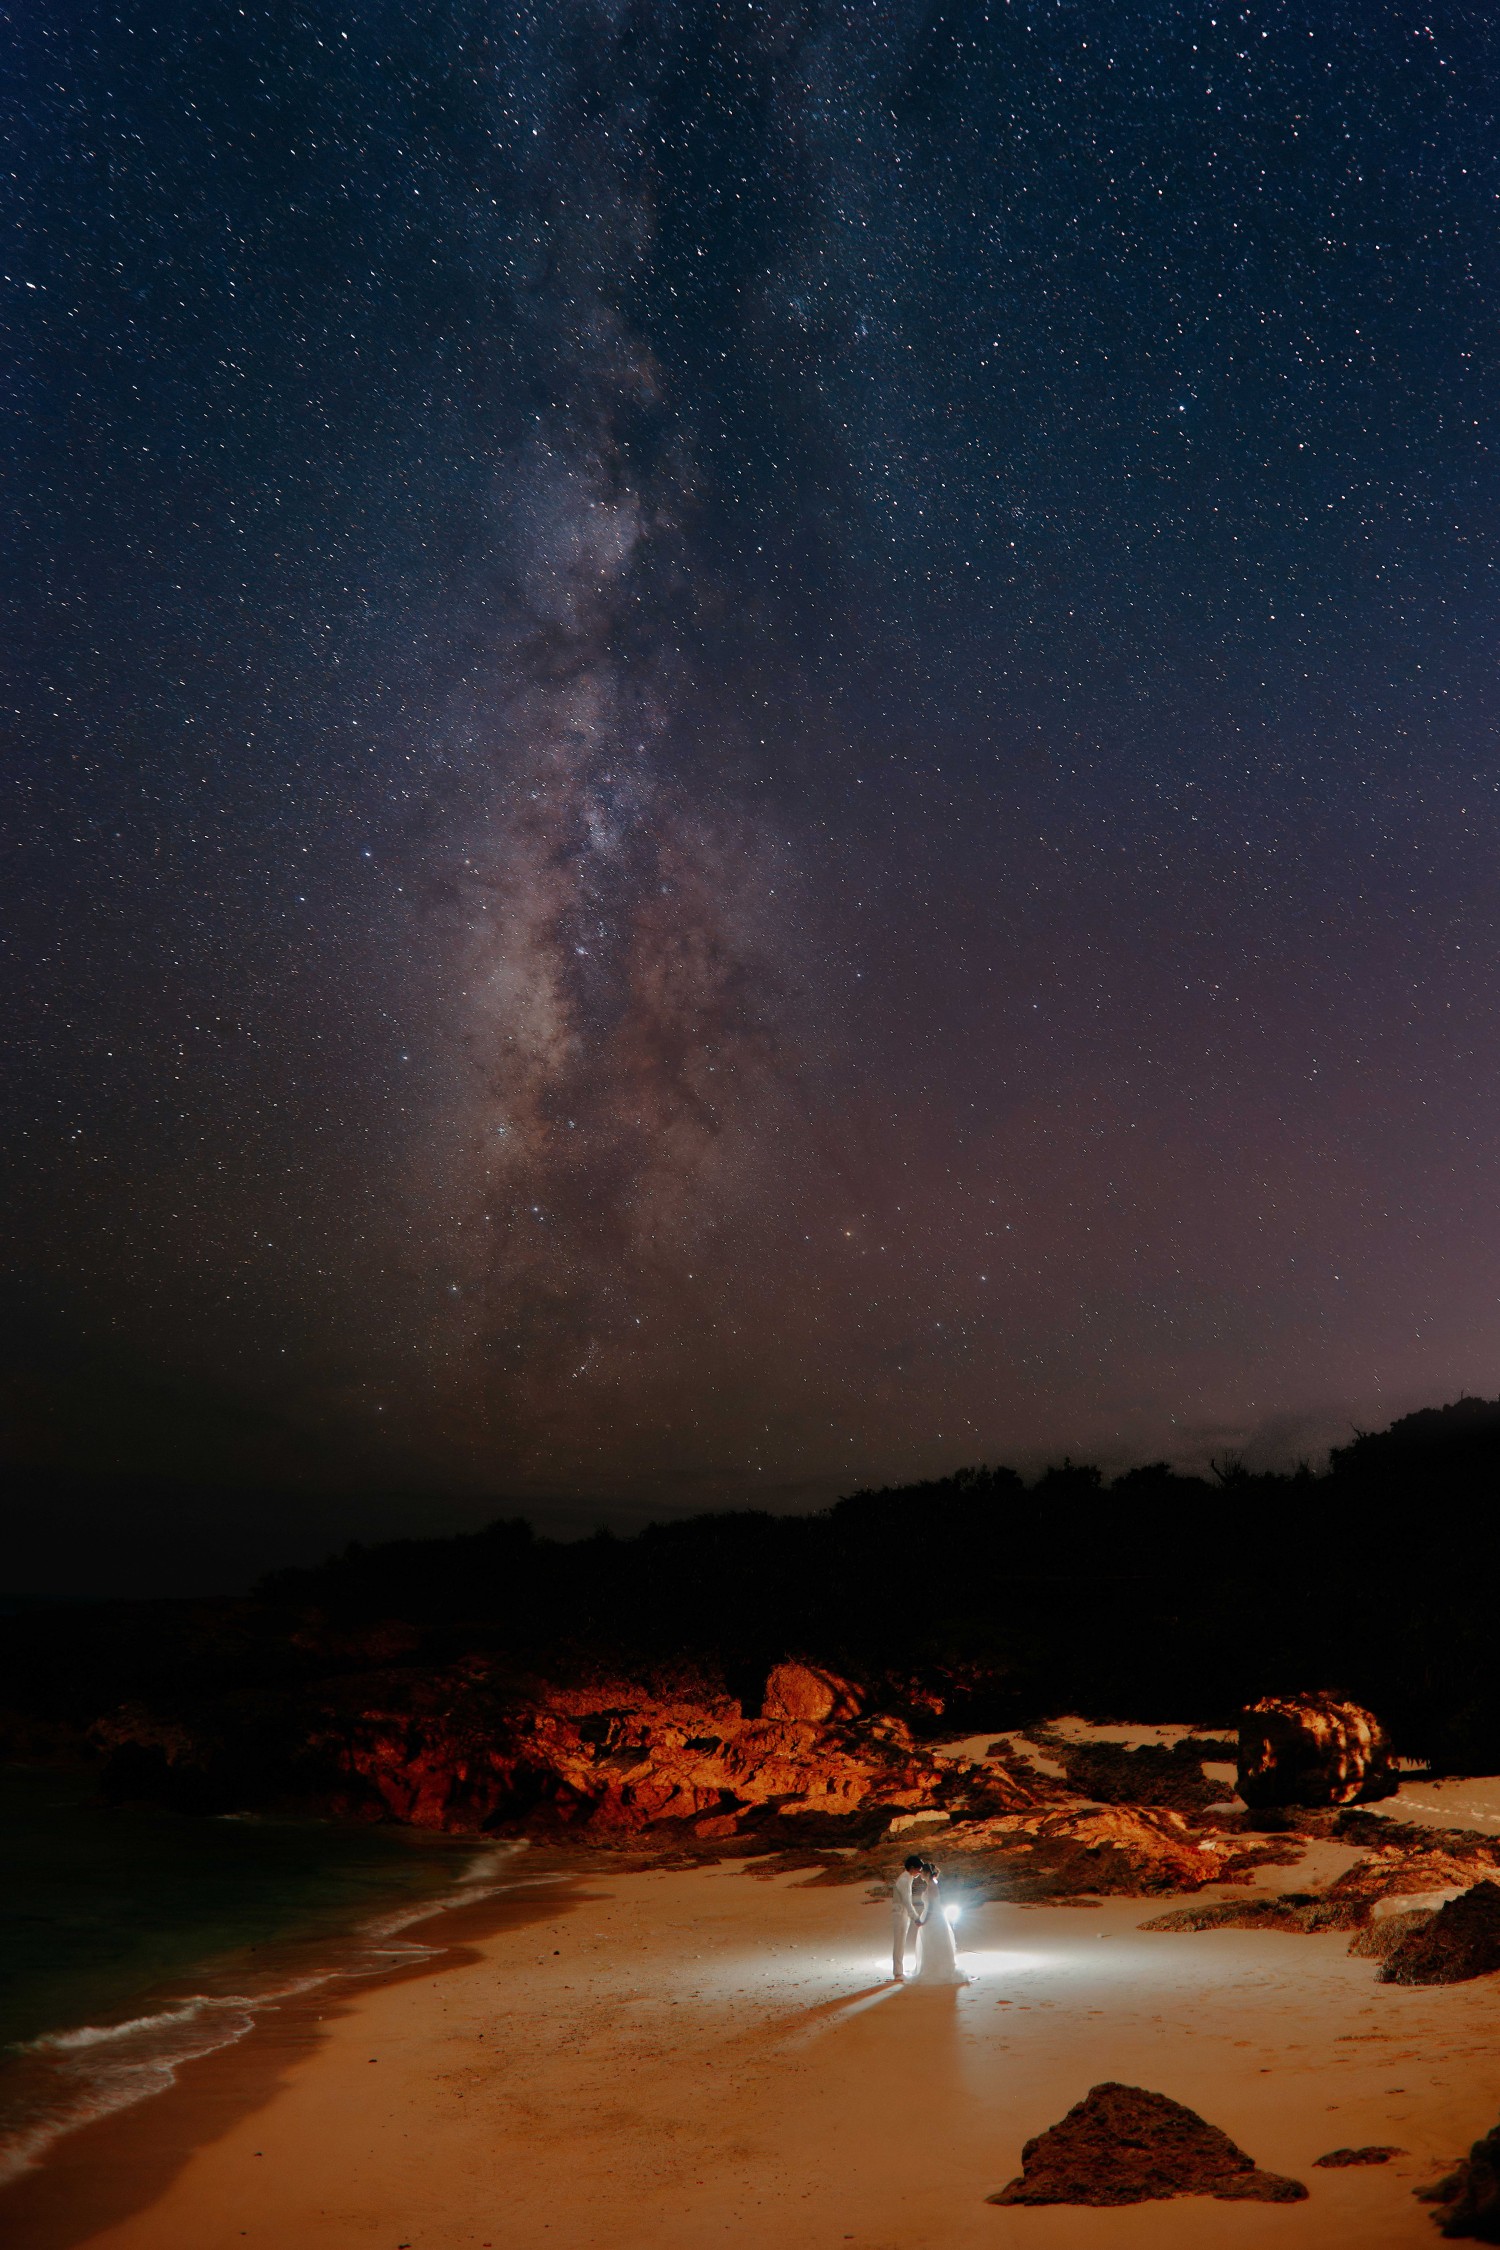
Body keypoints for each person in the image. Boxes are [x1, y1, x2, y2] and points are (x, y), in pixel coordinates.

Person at [911, 1858, 968, 1985]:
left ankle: (935, 1970)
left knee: (934, 1942)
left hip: (933, 1918)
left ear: (926, 1873)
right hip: (933, 1916)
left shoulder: (932, 1886)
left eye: (922, 1872)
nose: (920, 1874)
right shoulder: (931, 1884)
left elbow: (931, 1906)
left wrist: (924, 1921)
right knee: (931, 1942)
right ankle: (931, 1968)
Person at [890, 1853, 926, 1981]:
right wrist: (915, 1917)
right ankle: (897, 1972)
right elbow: (906, 1900)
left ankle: (898, 1970)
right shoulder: (905, 1879)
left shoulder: (907, 1878)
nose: (918, 1873)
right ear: (912, 1867)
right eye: (918, 1869)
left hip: (901, 1912)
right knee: (899, 1941)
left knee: (901, 1941)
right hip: (900, 1912)